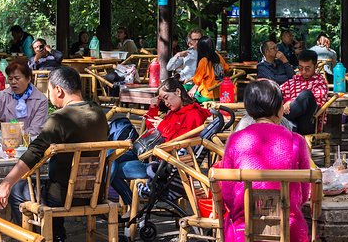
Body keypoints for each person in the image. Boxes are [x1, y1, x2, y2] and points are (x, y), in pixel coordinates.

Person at [0, 66, 108, 240]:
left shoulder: (59, 118)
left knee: (18, 189)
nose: (48, 96)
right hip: (95, 193)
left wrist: (6, 183)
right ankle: (57, 235)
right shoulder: (99, 113)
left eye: (49, 90)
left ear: (59, 90)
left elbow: (34, 153)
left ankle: (40, 237)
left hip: (63, 196)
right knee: (49, 184)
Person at [220, 80, 311, 242]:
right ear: (279, 108)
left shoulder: (235, 139)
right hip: (290, 229)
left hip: (245, 227)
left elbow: (227, 193)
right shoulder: (297, 141)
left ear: (249, 109)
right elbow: (304, 194)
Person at [110, 75, 211, 205]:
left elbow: (183, 144)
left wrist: (164, 126)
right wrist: (154, 108)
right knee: (110, 158)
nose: (166, 103)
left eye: (166, 98)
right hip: (153, 157)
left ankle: (116, 201)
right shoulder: (174, 113)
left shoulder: (193, 114)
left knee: (111, 168)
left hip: (162, 167)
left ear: (178, 92)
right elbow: (154, 134)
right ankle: (118, 200)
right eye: (163, 100)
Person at [0, 60, 49, 139]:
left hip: (30, 144)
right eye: (10, 79)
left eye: (17, 78)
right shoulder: (3, 95)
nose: (13, 82)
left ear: (28, 79)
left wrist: (13, 137)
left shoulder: (41, 100)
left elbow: (36, 130)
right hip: (6, 144)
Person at [279, 50, 328, 135]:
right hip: (290, 121)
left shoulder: (320, 83)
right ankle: (284, 119)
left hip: (307, 123)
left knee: (306, 94)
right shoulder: (292, 81)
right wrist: (285, 102)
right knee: (272, 91)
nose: (304, 71)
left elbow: (316, 101)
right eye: (301, 68)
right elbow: (277, 92)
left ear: (316, 66)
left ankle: (279, 117)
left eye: (307, 68)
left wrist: (289, 102)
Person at [190, 35, 229, 102]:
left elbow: (197, 80)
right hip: (220, 94)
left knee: (185, 88)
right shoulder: (218, 56)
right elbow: (226, 68)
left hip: (207, 95)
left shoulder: (204, 61)